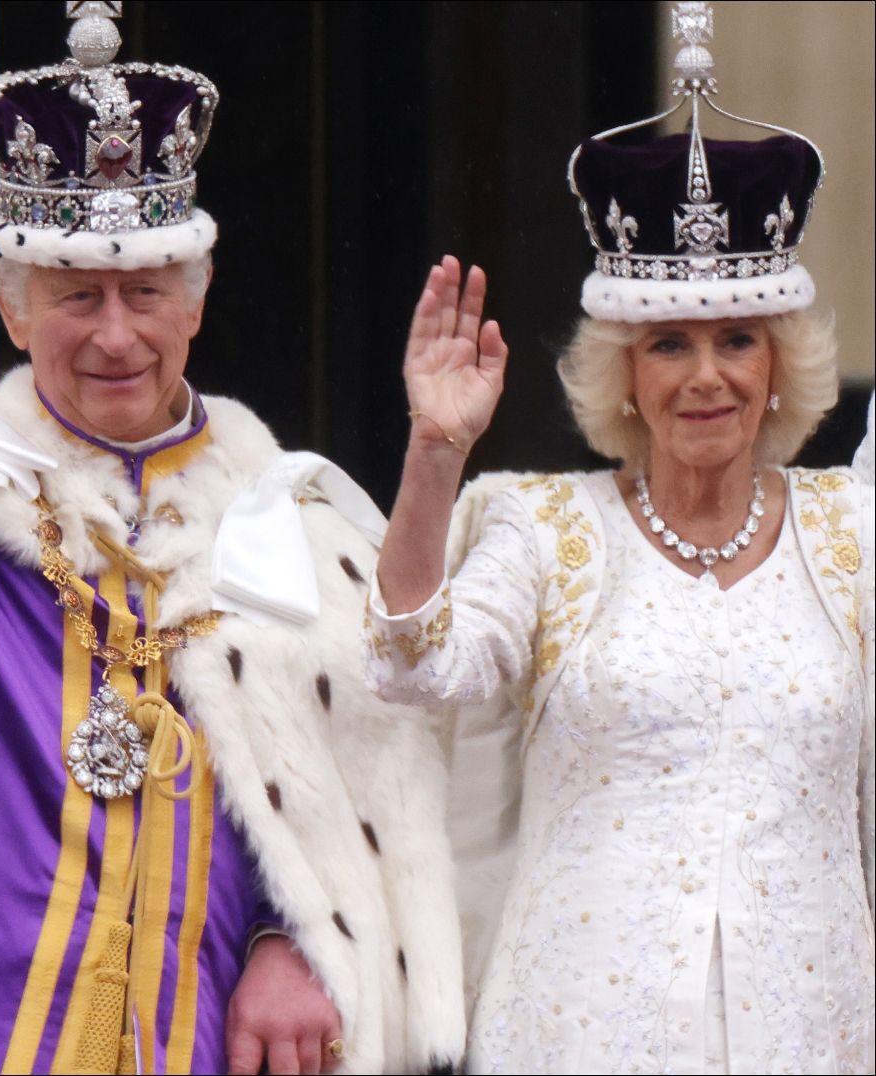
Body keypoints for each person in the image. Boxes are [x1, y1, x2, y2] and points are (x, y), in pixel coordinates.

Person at [0, 7, 464, 1074]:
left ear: (193, 306)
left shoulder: (284, 524)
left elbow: (343, 782)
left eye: (145, 292)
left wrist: (292, 936)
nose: (115, 333)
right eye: (75, 297)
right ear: (11, 310)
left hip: (186, 1022)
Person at [363, 5, 874, 1073]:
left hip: (808, 1028)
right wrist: (433, 452)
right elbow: (416, 660)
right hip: (577, 1030)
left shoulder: (852, 531)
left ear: (778, 361)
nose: (706, 375)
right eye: (669, 343)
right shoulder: (544, 524)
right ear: (625, 373)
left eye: (739, 338)